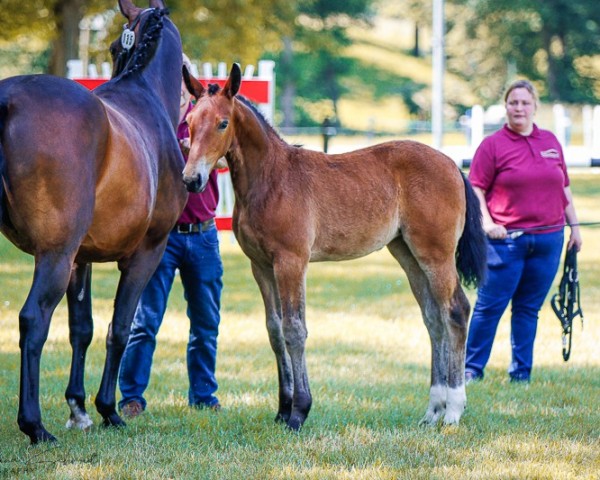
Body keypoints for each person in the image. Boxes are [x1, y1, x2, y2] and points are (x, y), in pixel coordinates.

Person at [118, 55, 223, 417]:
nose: (177, 84)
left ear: (189, 80)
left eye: (182, 77)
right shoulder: (154, 123)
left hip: (204, 236)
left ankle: (204, 396)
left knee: (206, 324)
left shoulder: (206, 121)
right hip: (161, 237)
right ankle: (131, 397)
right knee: (145, 322)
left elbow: (225, 157)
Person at [465, 79, 583, 384]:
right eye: (513, 102)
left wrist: (575, 227)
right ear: (505, 106)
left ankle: (521, 373)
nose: (519, 108)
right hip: (506, 242)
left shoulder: (551, 142)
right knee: (489, 307)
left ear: (535, 107)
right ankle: (471, 370)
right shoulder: (492, 145)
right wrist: (487, 223)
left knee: (529, 309)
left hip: (549, 240)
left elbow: (564, 187)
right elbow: (475, 188)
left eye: (524, 103)